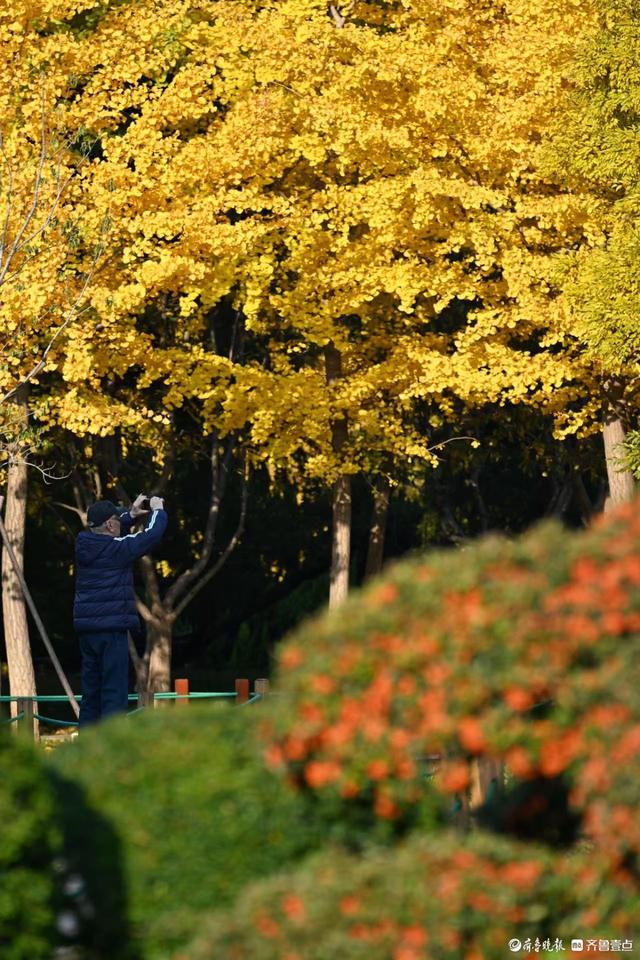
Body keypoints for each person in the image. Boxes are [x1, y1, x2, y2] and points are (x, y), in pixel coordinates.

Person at [73, 494, 168, 727]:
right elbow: (151, 535)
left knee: (91, 693)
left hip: (87, 631)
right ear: (109, 524)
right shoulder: (118, 550)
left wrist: (130, 515)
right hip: (111, 630)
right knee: (114, 693)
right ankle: (112, 744)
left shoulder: (84, 544)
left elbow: (113, 533)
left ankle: (86, 745)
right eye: (116, 519)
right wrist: (158, 510)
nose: (119, 522)